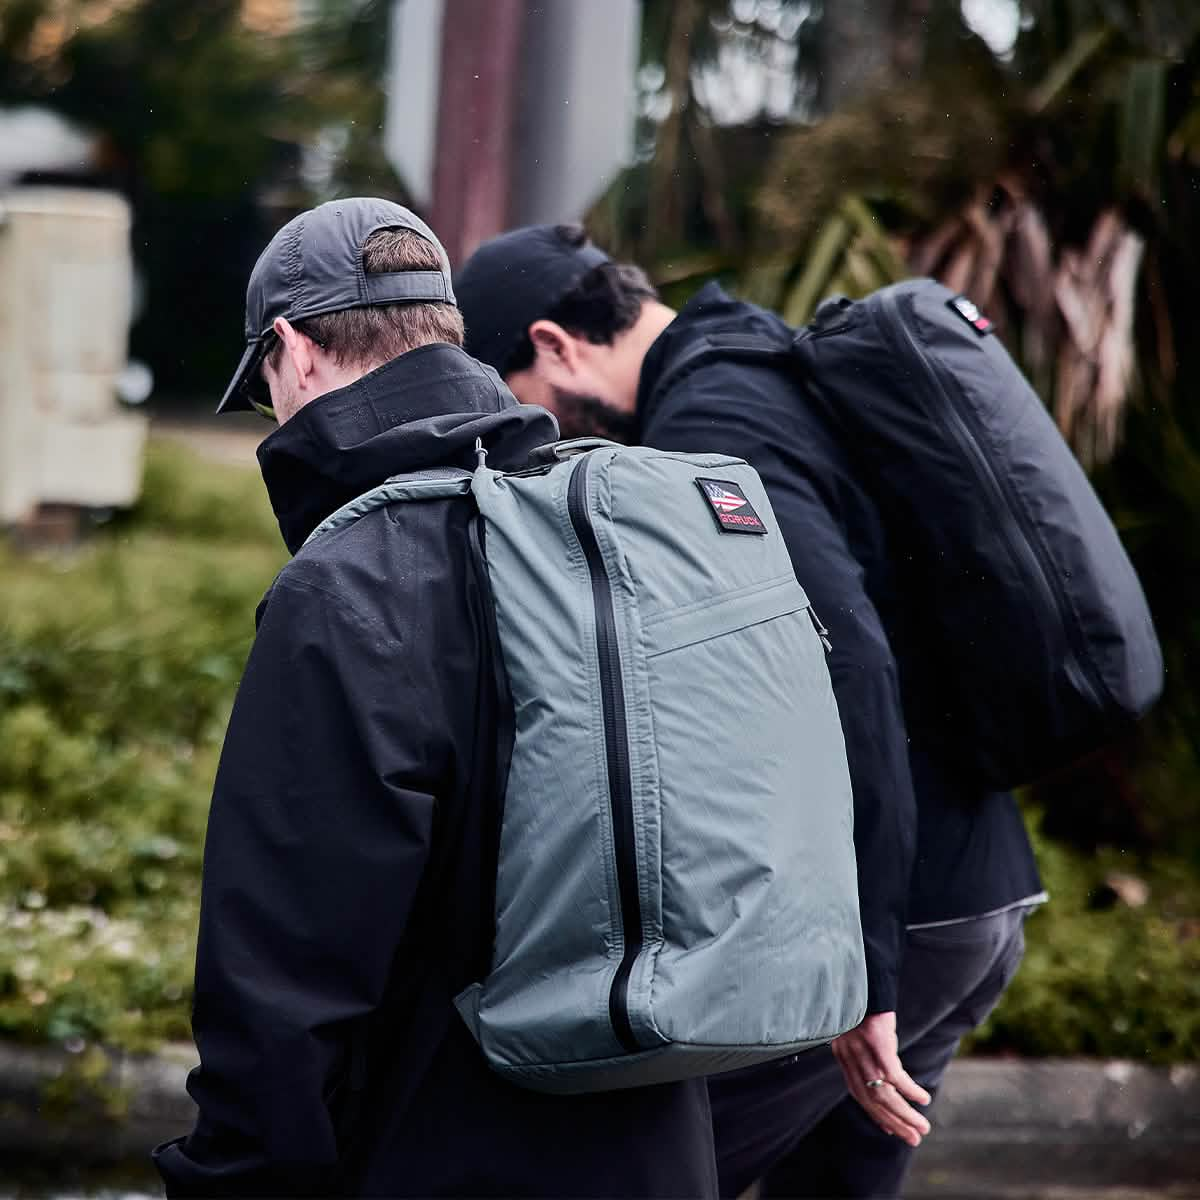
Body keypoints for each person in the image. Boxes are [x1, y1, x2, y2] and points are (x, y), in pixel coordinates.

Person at [455, 224, 1048, 1199]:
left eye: (523, 401)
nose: (544, 436)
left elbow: (848, 660)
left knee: (632, 1178)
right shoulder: (751, 354)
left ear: (556, 345)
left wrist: (864, 964)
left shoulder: (715, 421)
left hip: (901, 914)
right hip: (965, 886)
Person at [152, 199, 720, 1198]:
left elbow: (286, 975)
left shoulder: (353, 583)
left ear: (297, 352)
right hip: (657, 1146)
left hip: (447, 1151)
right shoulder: (611, 528)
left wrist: (231, 1177)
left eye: (266, 390)